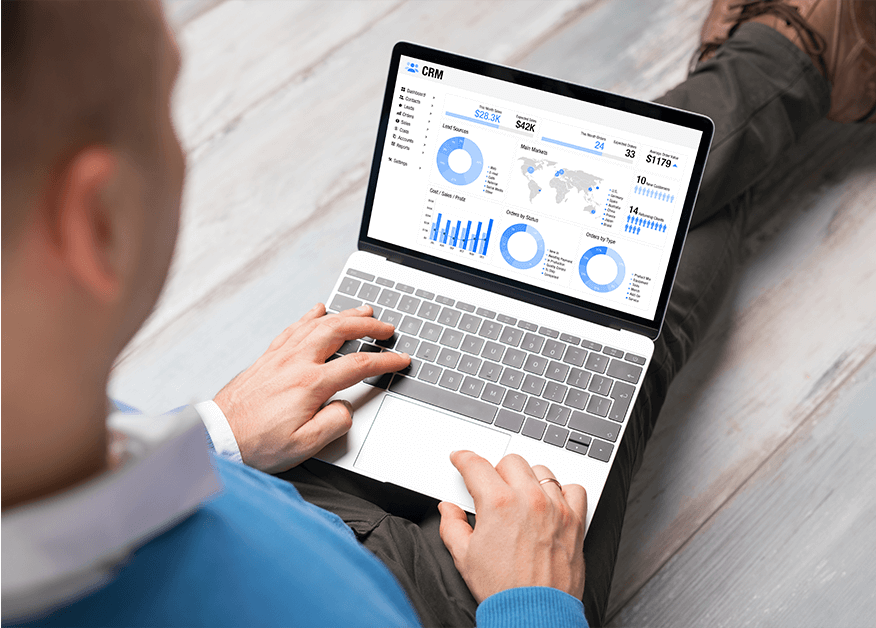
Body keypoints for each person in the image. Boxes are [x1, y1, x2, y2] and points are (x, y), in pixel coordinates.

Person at [1, 0, 872, 625]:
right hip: (438, 604)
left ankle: (784, 63)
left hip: (264, 486)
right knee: (643, 328)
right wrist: (532, 606)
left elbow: (37, 539)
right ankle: (785, 58)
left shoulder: (40, 437)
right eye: (168, 96)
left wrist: (214, 437)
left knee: (601, 292)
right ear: (99, 223)